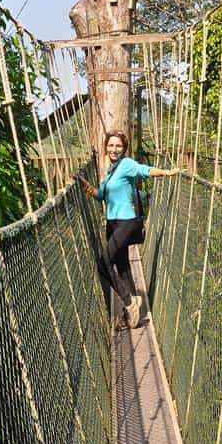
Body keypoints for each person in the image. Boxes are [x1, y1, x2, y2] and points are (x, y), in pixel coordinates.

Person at [78, 131, 179, 329]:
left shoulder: (126, 165)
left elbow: (145, 170)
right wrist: (88, 186)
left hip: (127, 221)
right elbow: (101, 197)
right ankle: (133, 314)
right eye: (111, 145)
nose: (114, 149)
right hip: (113, 222)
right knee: (122, 266)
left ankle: (129, 302)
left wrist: (166, 173)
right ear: (105, 147)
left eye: (118, 146)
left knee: (103, 262)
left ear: (123, 149)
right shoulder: (110, 170)